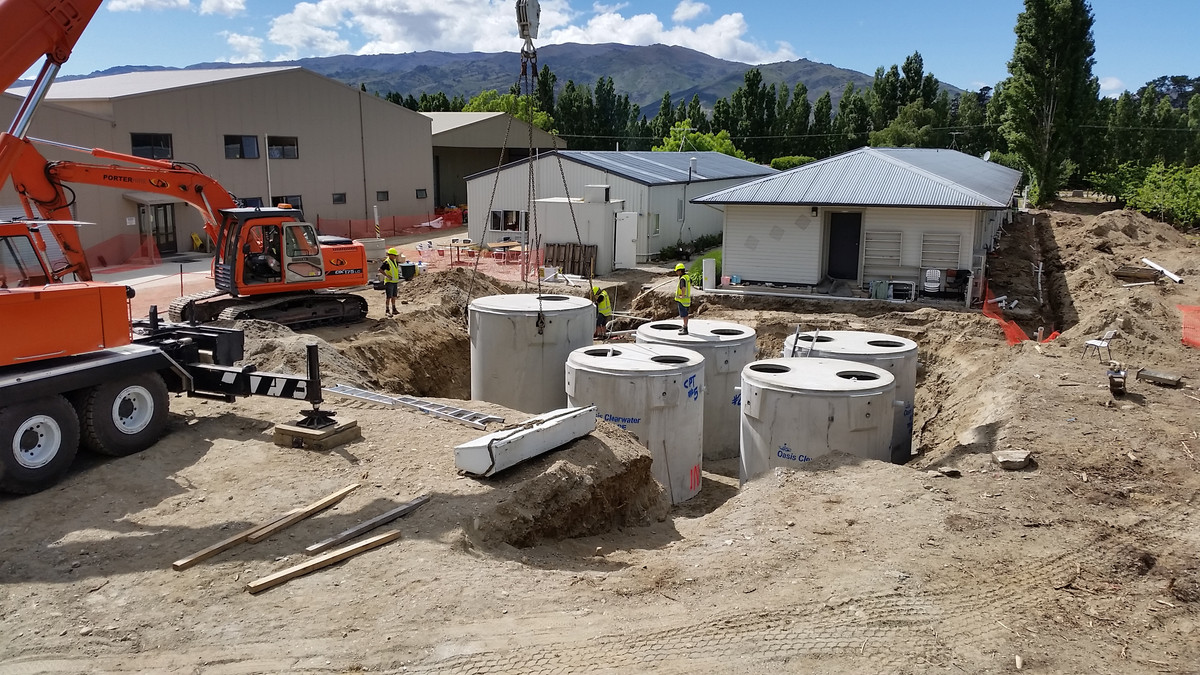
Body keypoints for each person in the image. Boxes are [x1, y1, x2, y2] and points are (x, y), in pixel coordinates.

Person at [379, 248, 402, 316]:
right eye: (394, 255)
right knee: (389, 296)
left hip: (394, 281)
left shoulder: (395, 261)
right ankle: (387, 310)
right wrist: (387, 276)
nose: (395, 256)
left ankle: (394, 309)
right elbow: (380, 269)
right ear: (390, 255)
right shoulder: (387, 262)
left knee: (394, 296)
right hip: (389, 282)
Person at [674, 262, 692, 335]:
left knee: (684, 315)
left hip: (682, 300)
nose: (676, 273)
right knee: (685, 314)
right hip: (687, 300)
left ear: (680, 271)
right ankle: (684, 326)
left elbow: (683, 287)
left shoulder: (682, 279)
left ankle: (685, 329)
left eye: (677, 271)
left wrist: (682, 295)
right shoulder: (687, 277)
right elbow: (690, 283)